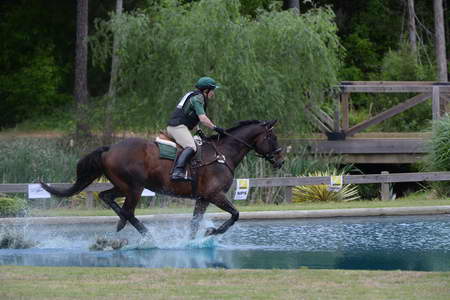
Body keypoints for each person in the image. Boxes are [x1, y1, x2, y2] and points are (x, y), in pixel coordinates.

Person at [167, 76, 225, 181]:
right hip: (178, 127)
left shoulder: (192, 95)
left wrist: (198, 130)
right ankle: (178, 171)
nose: (213, 93)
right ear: (206, 90)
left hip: (178, 126)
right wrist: (216, 128)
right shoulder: (199, 98)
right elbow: (202, 118)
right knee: (191, 147)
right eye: (213, 90)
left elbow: (189, 115)